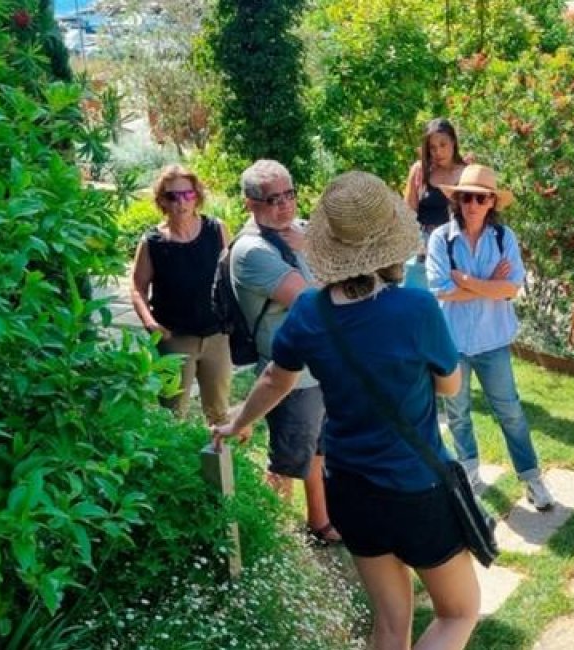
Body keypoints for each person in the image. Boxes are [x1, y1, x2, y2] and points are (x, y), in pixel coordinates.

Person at [212, 172, 478, 650]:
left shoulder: (309, 312)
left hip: (350, 489)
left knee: (390, 623)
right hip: (414, 488)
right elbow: (451, 384)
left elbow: (275, 379)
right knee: (458, 613)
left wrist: (237, 422)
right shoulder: (416, 308)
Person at [426, 165, 555, 511]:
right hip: (452, 343)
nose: (472, 204)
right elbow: (441, 289)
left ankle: (531, 478)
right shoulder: (440, 238)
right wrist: (490, 284)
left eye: (480, 198)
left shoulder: (503, 237)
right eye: (467, 197)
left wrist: (467, 280)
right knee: (457, 414)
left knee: (510, 412)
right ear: (457, 200)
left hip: (493, 342)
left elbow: (511, 288)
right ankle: (470, 474)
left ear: (491, 203)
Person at [227, 160, 339, 545]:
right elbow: (314, 303)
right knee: (286, 463)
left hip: (318, 367)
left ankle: (319, 522)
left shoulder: (300, 231)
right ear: (250, 203)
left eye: (289, 194)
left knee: (318, 451)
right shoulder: (252, 251)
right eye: (273, 199)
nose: (285, 205)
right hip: (291, 375)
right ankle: (271, 541)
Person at [129, 165, 233, 424]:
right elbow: (137, 287)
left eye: (187, 194)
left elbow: (233, 274)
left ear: (197, 196)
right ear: (162, 200)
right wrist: (150, 323)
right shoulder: (152, 242)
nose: (181, 202)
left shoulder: (216, 229)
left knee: (219, 413)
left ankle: (219, 451)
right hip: (174, 338)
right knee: (172, 415)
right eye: (172, 196)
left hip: (216, 336)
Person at [402, 118, 466, 291]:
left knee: (449, 299)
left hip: (455, 248)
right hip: (422, 248)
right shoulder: (420, 171)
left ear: (453, 142)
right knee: (418, 298)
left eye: (443, 144)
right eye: (432, 147)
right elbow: (407, 214)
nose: (438, 152)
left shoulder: (467, 173)